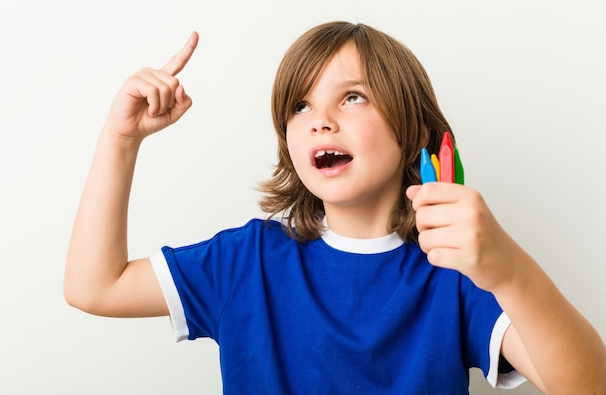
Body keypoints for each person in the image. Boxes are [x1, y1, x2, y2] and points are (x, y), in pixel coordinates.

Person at [64, 21, 606, 394]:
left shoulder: (455, 276)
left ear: (415, 130)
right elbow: (94, 286)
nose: (320, 119)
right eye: (300, 106)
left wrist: (508, 270)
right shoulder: (244, 261)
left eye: (353, 97)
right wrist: (120, 139)